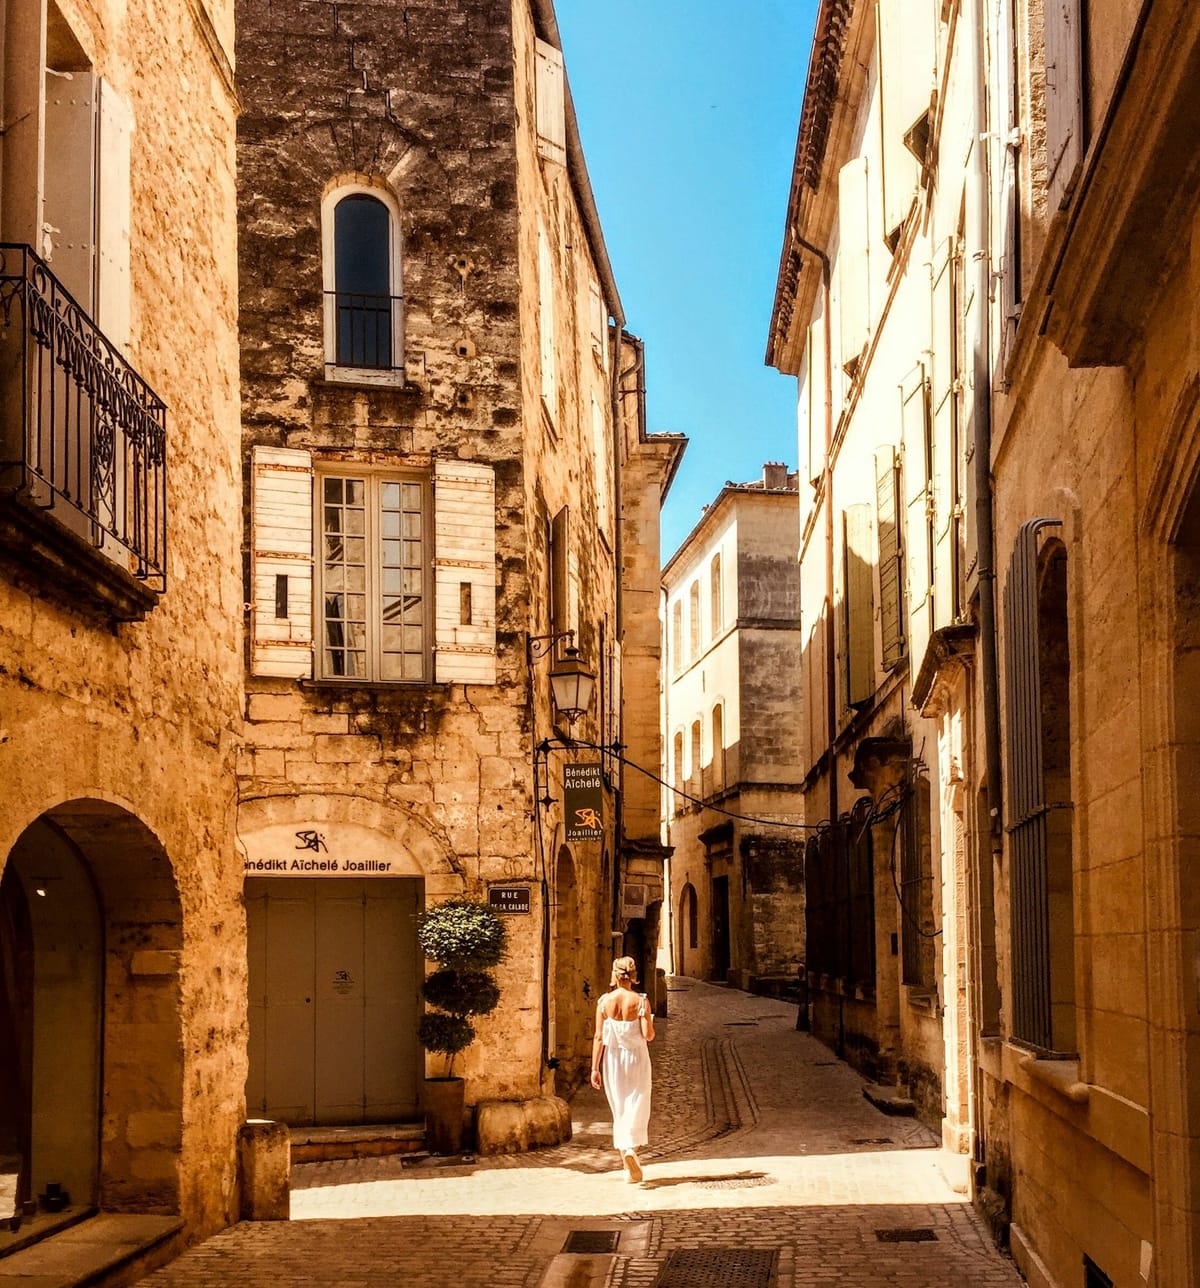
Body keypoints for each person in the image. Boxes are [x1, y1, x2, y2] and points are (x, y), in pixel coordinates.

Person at [589, 955, 655, 1182]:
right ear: (633, 976)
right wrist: (646, 1016)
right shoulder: (641, 1001)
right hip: (637, 1059)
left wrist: (594, 1068)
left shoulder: (603, 1002)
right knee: (637, 1104)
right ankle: (630, 1151)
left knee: (619, 1107)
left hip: (613, 1061)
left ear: (615, 975)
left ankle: (627, 1167)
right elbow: (648, 1035)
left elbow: (599, 1037)